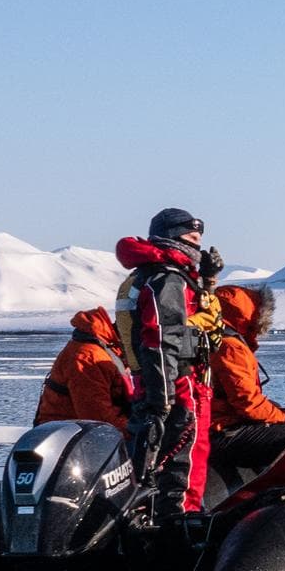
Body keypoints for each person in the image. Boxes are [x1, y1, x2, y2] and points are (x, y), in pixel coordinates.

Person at [115, 207, 221, 525]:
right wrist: (165, 396)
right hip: (176, 383)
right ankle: (178, 521)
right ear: (173, 238)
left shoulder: (152, 274)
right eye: (191, 238)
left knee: (165, 453)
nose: (197, 245)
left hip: (165, 380)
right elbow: (160, 337)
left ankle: (163, 514)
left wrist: (207, 280)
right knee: (182, 455)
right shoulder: (166, 278)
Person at [207, 283, 285, 476]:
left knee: (278, 424)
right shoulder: (230, 347)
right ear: (248, 314)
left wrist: (277, 413)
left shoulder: (218, 342)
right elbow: (248, 404)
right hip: (222, 432)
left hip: (218, 427)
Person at [34, 305, 132, 427]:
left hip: (82, 432)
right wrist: (139, 431)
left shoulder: (109, 351)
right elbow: (98, 419)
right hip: (66, 437)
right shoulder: (89, 358)